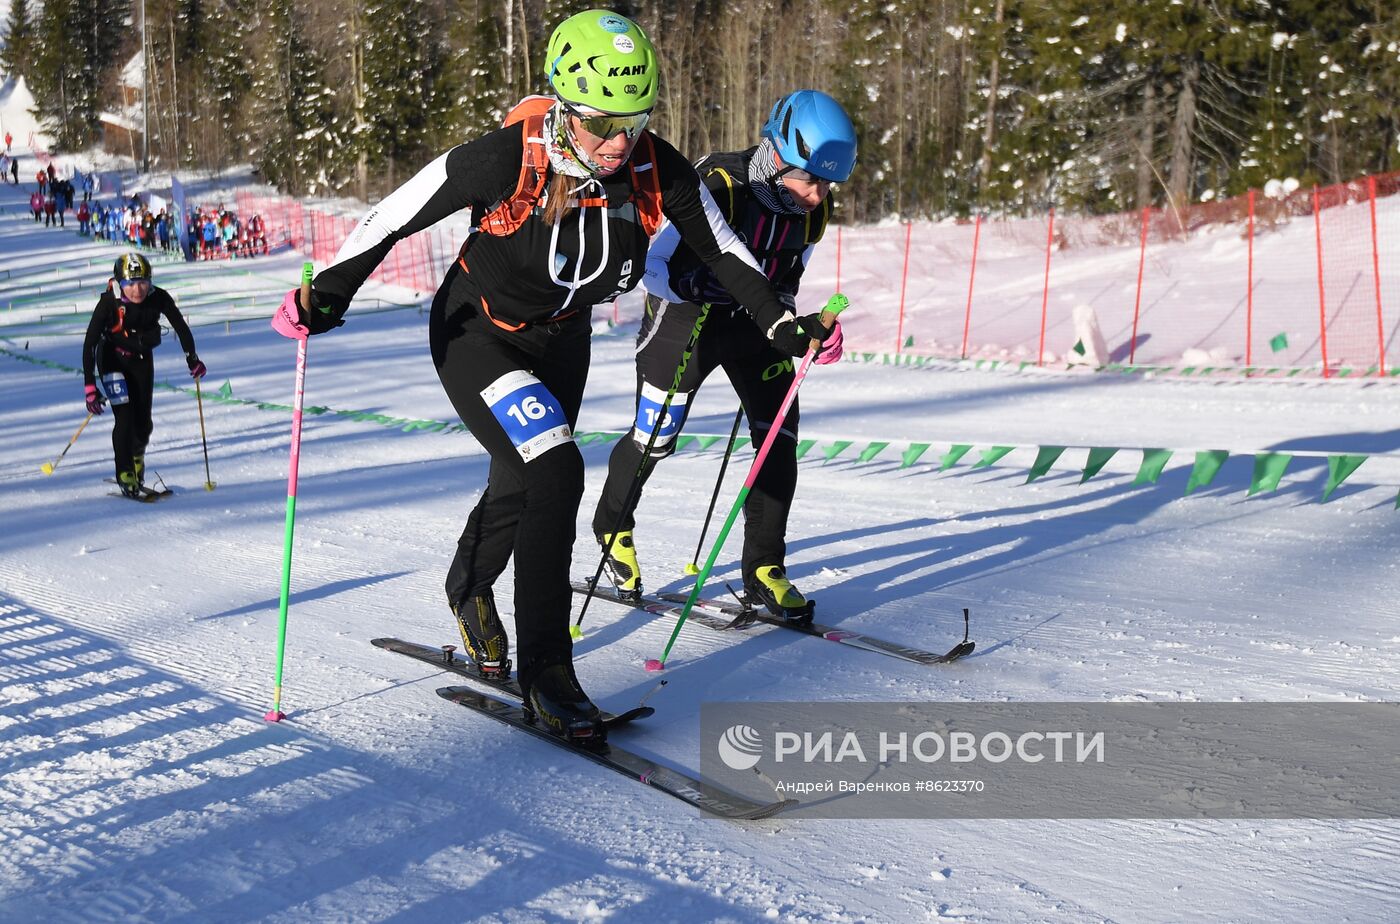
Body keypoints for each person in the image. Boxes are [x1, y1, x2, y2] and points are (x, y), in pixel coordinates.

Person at [272, 9, 836, 743]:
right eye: (600, 124)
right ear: (565, 105)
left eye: (632, 123)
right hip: (480, 335)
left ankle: (467, 586)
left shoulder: (648, 165)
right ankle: (550, 675)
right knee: (557, 470)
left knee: (522, 480)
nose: (614, 144)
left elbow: (727, 251)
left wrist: (784, 325)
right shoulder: (512, 156)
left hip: (562, 344)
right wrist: (328, 295)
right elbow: (394, 213)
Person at [591, 90, 855, 620]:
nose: (819, 194)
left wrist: (806, 331)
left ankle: (764, 568)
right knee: (656, 437)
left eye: (829, 184)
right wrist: (695, 283)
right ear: (778, 157)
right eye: (810, 179)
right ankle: (613, 524)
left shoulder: (811, 214)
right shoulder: (717, 182)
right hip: (686, 318)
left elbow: (785, 278)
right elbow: (652, 264)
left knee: (778, 437)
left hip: (755, 325)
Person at [81, 254, 206, 498]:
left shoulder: (157, 297)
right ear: (120, 283)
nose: (137, 289)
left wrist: (192, 358)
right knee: (125, 417)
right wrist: (90, 386)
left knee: (144, 423)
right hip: (111, 359)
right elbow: (90, 343)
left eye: (142, 282)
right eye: (130, 284)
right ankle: (125, 471)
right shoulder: (109, 302)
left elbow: (180, 326)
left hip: (140, 360)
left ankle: (137, 456)